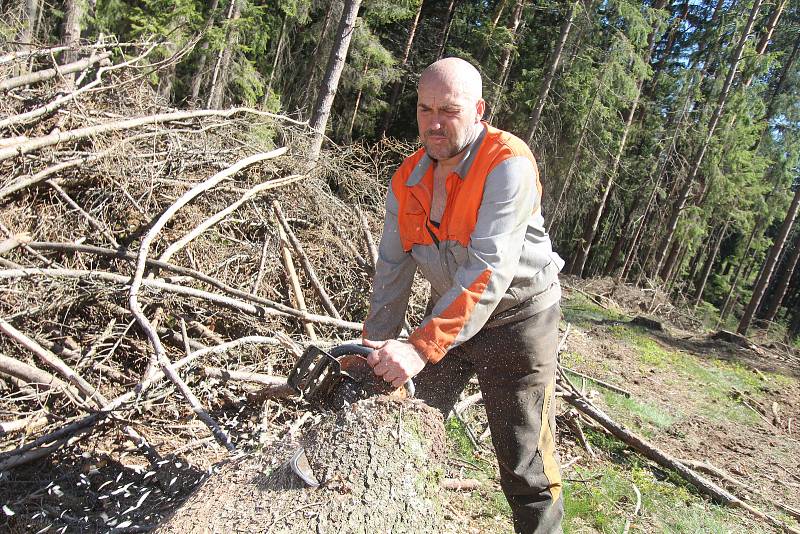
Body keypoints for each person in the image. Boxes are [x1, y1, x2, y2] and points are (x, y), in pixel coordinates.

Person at [361, 57, 565, 533]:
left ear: (478, 110)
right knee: (405, 418)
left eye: (448, 111)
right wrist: (374, 345)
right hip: (453, 311)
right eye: (424, 108)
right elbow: (392, 269)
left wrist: (419, 347)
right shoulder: (407, 178)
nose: (433, 122)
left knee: (523, 461)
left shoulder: (507, 164)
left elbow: (488, 271)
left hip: (520, 317)